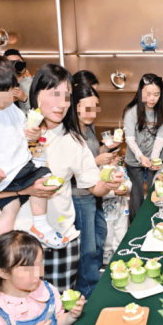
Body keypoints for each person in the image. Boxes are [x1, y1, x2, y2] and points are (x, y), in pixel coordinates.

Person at [0, 65, 123, 299]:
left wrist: (109, 183)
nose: (61, 103)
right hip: (13, 244)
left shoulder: (74, 140)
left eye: (66, 96)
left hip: (60, 242)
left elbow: (94, 186)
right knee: (12, 312)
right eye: (54, 94)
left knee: (59, 310)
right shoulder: (12, 131)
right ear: (36, 95)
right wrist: (26, 190)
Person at [0, 55, 66, 248]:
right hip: (1, 174)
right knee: (42, 177)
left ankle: (15, 238)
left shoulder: (10, 108)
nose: (6, 100)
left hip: (17, 168)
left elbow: (24, 131)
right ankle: (31, 231)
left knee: (11, 208)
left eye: (9, 92)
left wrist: (33, 133)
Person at [70, 70, 127, 296]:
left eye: (94, 108)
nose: (91, 113)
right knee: (88, 247)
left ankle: (92, 282)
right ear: (75, 106)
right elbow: (72, 169)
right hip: (80, 194)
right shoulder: (71, 132)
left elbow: (95, 152)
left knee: (99, 236)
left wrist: (107, 150)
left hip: (95, 191)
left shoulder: (89, 127)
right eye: (87, 108)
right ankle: (87, 291)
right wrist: (96, 161)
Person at [123, 74, 163, 221]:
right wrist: (141, 157)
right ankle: (136, 227)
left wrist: (154, 158)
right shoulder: (131, 111)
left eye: (156, 95)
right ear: (141, 92)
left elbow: (161, 138)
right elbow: (130, 138)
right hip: (134, 158)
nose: (152, 98)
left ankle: (156, 224)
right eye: (148, 94)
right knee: (136, 196)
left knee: (157, 193)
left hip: (157, 158)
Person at [102, 145, 132, 264]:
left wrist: (127, 188)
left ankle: (120, 255)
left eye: (117, 156)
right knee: (108, 236)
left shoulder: (121, 169)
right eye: (112, 158)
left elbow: (128, 182)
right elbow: (100, 192)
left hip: (122, 208)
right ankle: (107, 255)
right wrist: (113, 192)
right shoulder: (101, 172)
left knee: (121, 233)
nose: (115, 160)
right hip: (107, 211)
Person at [4, 49, 33, 115]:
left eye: (18, 62)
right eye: (11, 63)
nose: (15, 65)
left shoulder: (33, 84)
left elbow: (38, 112)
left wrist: (25, 99)